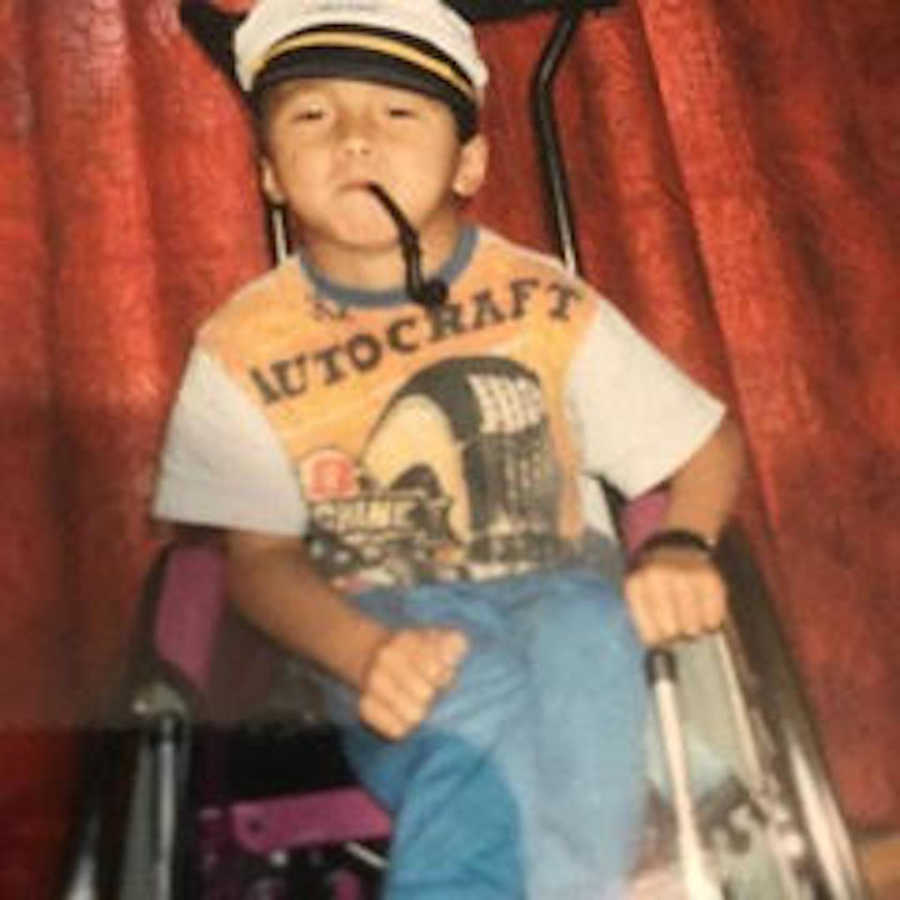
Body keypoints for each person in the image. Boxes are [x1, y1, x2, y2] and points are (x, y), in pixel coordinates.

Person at [154, 0, 746, 896]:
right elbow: (259, 561)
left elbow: (703, 444)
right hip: (384, 613)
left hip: (566, 588)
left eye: (398, 112)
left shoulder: (543, 301)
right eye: (313, 115)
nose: (354, 140)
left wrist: (680, 543)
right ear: (271, 170)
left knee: (592, 635)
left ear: (469, 159)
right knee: (475, 708)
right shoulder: (240, 348)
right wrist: (361, 653)